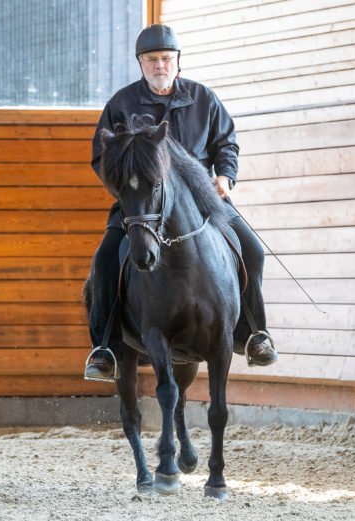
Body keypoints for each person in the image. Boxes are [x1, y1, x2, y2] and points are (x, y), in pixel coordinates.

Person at [84, 23, 277, 382]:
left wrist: (225, 176)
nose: (160, 65)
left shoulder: (204, 99)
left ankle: (253, 335)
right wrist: (127, 190)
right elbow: (101, 156)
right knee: (106, 259)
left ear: (177, 62)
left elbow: (227, 144)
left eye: (166, 58)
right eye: (152, 59)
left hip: (204, 200)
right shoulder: (121, 105)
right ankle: (106, 348)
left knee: (253, 251)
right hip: (141, 205)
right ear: (141, 63)